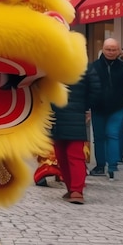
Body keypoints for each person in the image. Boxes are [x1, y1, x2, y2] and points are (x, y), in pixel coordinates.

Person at [88, 38, 123, 180]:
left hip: (117, 107)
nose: (110, 52)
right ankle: (100, 165)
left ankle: (112, 166)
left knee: (112, 134)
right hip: (98, 107)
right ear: (103, 50)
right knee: (99, 137)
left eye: (114, 49)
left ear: (119, 50)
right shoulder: (94, 66)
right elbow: (88, 86)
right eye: (108, 49)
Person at [51, 67, 101, 204]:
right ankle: (76, 190)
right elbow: (96, 90)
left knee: (62, 155)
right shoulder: (86, 67)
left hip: (55, 114)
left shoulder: (52, 65)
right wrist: (85, 107)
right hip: (76, 115)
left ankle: (73, 190)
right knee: (74, 155)